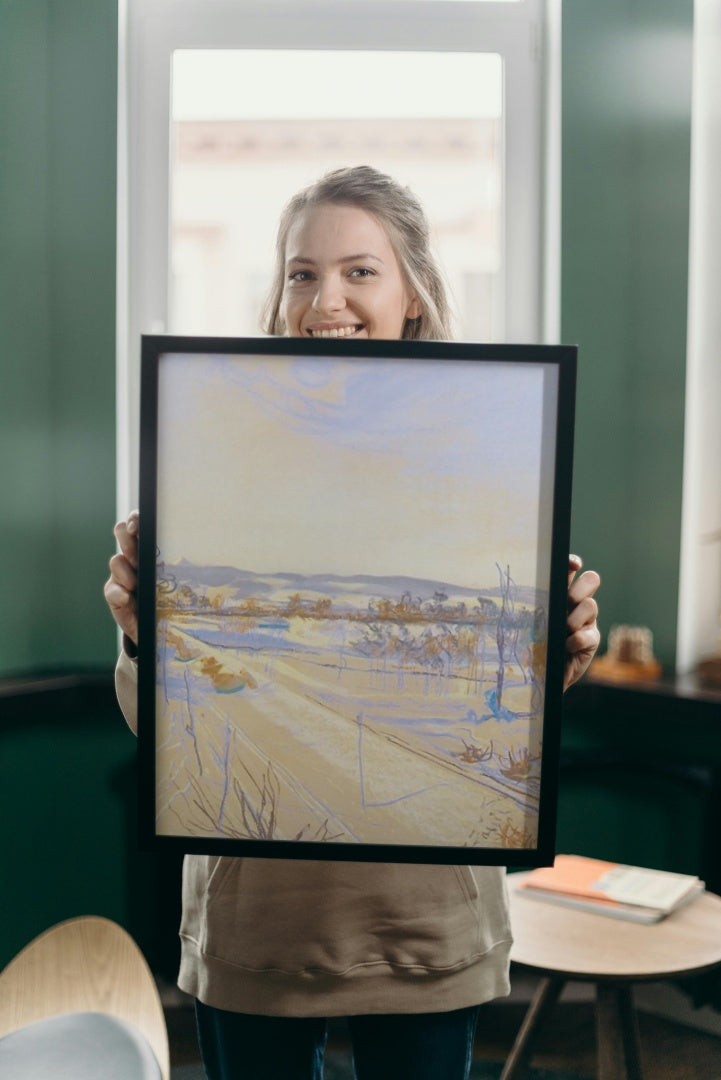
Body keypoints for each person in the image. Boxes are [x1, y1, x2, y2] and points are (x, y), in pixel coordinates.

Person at [105, 166, 601, 1080]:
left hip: (426, 922)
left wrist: (557, 653)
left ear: (412, 292)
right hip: (256, 923)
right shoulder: (207, 453)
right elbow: (165, 731)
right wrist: (143, 637)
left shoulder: (492, 454)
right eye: (301, 272)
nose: (324, 298)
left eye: (359, 271)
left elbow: (505, 730)